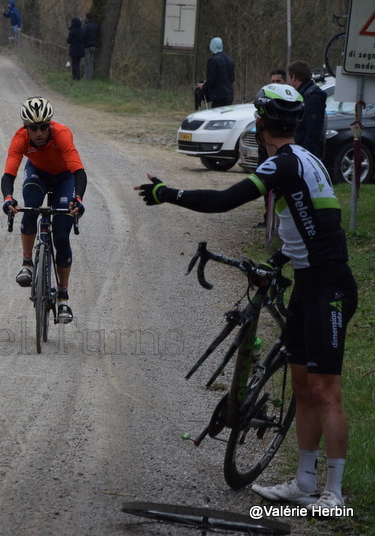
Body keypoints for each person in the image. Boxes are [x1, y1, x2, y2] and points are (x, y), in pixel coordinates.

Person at [135, 84, 357, 514]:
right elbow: (314, 225)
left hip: (329, 288)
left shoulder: (284, 165)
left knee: (327, 391)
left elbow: (222, 202)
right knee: (304, 388)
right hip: (310, 283)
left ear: (259, 124)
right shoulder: (305, 159)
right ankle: (305, 481)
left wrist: (168, 194)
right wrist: (278, 262)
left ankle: (335, 492)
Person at [1, 97, 87, 323]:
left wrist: (77, 199)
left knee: (61, 235)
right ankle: (27, 264)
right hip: (37, 173)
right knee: (29, 208)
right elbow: (9, 173)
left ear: (50, 124)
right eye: (33, 128)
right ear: (25, 127)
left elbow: (78, 171)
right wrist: (8, 198)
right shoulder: (20, 138)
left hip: (64, 178)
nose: (38, 133)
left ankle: (63, 298)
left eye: (43, 127)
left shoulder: (62, 134)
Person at [288, 60, 327, 159]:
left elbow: (313, 132)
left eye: (290, 77)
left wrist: (303, 153)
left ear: (293, 77)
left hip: (307, 154)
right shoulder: (303, 95)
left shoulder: (311, 98)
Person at [197, 37, 234, 108]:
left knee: (217, 116)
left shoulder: (213, 60)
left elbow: (211, 80)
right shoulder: (230, 60)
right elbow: (231, 79)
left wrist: (203, 86)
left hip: (218, 95)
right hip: (229, 94)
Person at [83, 12, 99, 81]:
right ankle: (91, 77)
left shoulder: (86, 26)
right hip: (94, 45)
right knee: (91, 62)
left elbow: (83, 35)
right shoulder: (96, 25)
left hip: (87, 46)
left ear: (87, 18)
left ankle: (87, 78)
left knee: (87, 62)